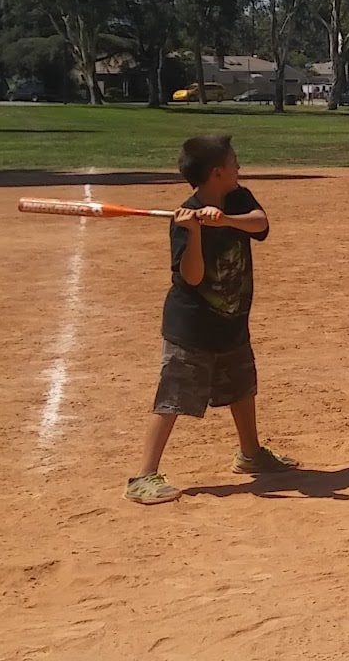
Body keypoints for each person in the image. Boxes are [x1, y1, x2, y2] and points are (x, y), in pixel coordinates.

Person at [127, 134, 297, 505]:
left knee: (241, 387)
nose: (240, 167)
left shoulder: (239, 199)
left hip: (232, 318)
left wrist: (224, 220)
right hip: (191, 327)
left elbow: (259, 224)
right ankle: (143, 476)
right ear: (217, 172)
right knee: (173, 397)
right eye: (235, 163)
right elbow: (191, 277)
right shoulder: (184, 219)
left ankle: (250, 453)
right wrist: (194, 233)